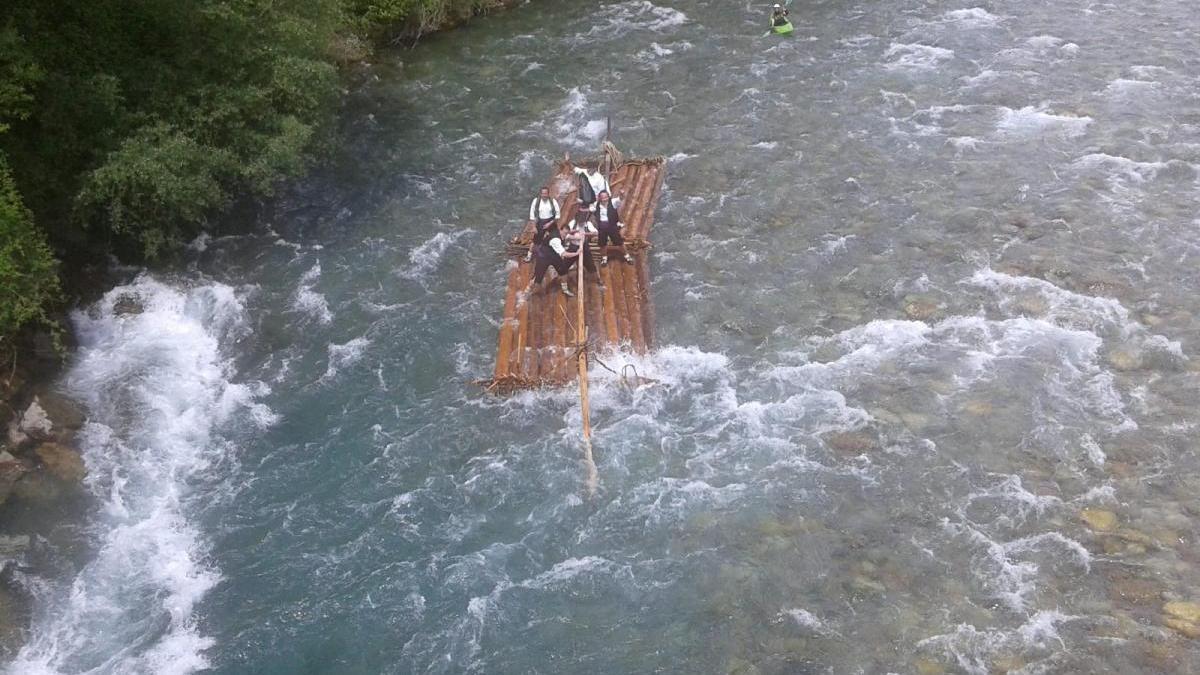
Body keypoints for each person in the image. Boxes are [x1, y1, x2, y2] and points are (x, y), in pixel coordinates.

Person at [527, 225, 578, 297]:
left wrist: (579, 236)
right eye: (564, 233)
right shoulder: (555, 240)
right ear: (560, 230)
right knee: (537, 279)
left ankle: (565, 289)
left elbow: (568, 236)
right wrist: (577, 253)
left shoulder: (561, 233)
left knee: (563, 271)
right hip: (544, 257)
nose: (565, 235)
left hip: (554, 255)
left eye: (566, 233)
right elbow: (564, 254)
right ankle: (526, 292)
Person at [593, 190, 633, 265]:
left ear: (608, 197)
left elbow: (621, 198)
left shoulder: (613, 202)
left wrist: (621, 194)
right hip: (602, 228)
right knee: (602, 244)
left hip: (612, 226)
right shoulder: (596, 204)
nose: (604, 199)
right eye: (602, 198)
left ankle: (627, 256)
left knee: (619, 242)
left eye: (606, 197)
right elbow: (590, 209)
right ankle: (604, 258)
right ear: (599, 198)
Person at [524, 186, 560, 262]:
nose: (544, 195)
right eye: (543, 193)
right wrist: (534, 227)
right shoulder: (536, 201)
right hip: (541, 222)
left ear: (548, 194)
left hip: (551, 221)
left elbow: (557, 215)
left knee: (556, 238)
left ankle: (558, 255)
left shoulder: (553, 201)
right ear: (540, 194)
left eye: (546, 193)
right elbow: (532, 215)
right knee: (535, 240)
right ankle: (529, 255)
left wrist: (550, 223)